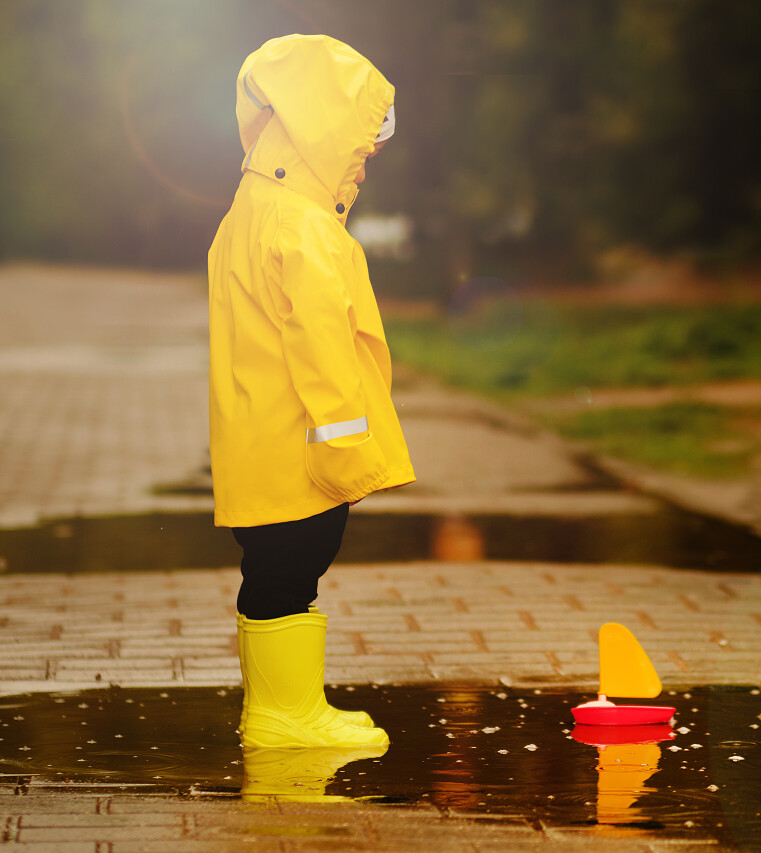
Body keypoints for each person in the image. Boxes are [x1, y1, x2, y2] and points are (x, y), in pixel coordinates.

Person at [207, 34, 415, 749]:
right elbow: (324, 354)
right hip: (302, 451)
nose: (367, 158)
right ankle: (286, 716)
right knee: (293, 570)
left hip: (260, 439)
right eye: (363, 141)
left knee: (272, 572)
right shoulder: (303, 229)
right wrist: (346, 451)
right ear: (325, 127)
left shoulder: (251, 210)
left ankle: (279, 708)